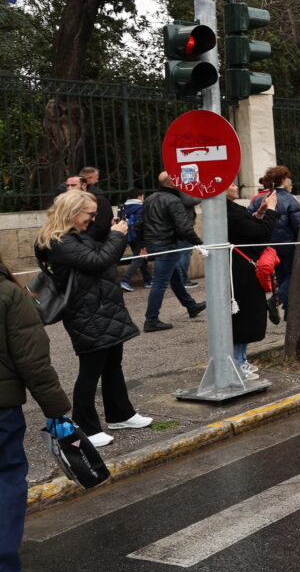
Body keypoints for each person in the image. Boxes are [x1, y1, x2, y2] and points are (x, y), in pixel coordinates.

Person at [34, 190, 146, 447]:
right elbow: (98, 260)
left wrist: (114, 234)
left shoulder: (78, 236)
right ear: (73, 212)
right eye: (90, 214)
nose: (94, 220)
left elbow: (103, 256)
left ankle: (121, 414)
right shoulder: (58, 241)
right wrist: (118, 235)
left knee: (112, 363)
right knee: (90, 370)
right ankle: (85, 426)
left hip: (103, 307)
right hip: (85, 311)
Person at [0, 252, 71, 572]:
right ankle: (5, 571)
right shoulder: (9, 293)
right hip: (0, 409)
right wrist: (56, 409)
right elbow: (32, 358)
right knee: (7, 477)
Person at [140, 172, 205, 331]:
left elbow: (141, 223)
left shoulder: (149, 198)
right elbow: (183, 227)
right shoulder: (174, 200)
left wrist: (143, 244)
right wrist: (199, 243)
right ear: (171, 184)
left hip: (156, 244)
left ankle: (191, 306)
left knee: (174, 277)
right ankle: (151, 320)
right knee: (160, 283)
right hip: (167, 245)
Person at [226, 184, 279, 379]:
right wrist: (272, 209)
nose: (236, 186)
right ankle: (237, 362)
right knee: (241, 316)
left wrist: (260, 212)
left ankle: (241, 358)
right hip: (240, 271)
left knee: (247, 315)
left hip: (245, 269)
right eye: (231, 183)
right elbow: (260, 234)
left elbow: (250, 229)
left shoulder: (233, 209)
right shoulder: (228, 212)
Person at [247, 166, 300, 312]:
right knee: (293, 276)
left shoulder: (259, 199)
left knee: (279, 277)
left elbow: (249, 221)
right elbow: (299, 225)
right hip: (287, 246)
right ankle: (275, 301)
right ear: (283, 180)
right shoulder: (290, 199)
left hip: (266, 246)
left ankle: (285, 307)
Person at [117, 189, 152, 291]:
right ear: (140, 196)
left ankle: (148, 280)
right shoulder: (141, 207)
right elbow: (142, 225)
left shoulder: (124, 206)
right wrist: (144, 242)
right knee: (139, 257)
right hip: (139, 236)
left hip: (128, 235)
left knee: (142, 257)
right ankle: (125, 280)